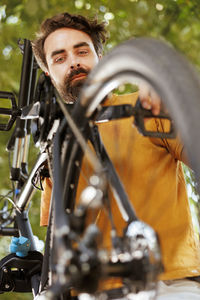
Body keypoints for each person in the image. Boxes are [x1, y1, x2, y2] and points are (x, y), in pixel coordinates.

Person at [32, 12, 200, 299]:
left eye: (82, 51)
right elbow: (58, 242)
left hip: (170, 281)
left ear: (100, 56)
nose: (73, 62)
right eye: (59, 59)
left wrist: (170, 94)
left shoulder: (145, 104)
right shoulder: (54, 143)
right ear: (49, 73)